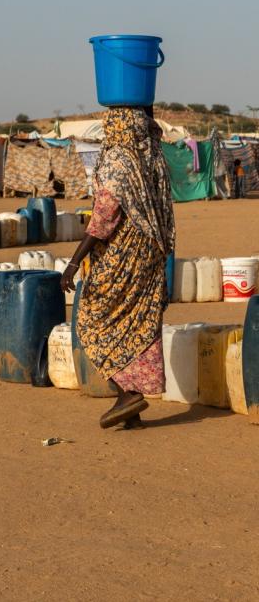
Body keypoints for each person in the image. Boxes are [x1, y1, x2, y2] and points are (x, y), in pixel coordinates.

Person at [62, 107, 175, 430]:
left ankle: (127, 394)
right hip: (150, 252)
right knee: (139, 322)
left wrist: (74, 262)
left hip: (122, 253)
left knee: (94, 318)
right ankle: (132, 409)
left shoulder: (118, 161)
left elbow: (104, 216)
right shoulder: (152, 157)